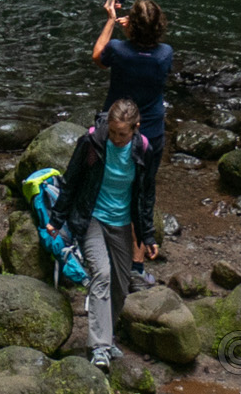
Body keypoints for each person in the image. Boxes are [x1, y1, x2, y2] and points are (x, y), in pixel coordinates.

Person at [61, 99, 158, 370]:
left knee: (120, 281)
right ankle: (100, 347)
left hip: (122, 222)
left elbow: (146, 193)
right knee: (101, 274)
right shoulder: (92, 143)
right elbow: (72, 180)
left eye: (122, 134)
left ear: (135, 129)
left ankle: (108, 334)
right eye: (113, 133)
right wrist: (57, 219)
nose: (116, 139)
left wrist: (147, 236)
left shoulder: (143, 149)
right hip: (92, 217)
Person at [94, 0, 173, 281]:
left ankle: (101, 246)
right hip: (150, 132)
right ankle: (137, 266)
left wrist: (112, 22)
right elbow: (144, 51)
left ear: (132, 26)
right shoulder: (165, 54)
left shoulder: (118, 49)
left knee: (107, 183)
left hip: (115, 129)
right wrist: (133, 34)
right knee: (143, 191)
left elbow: (98, 58)